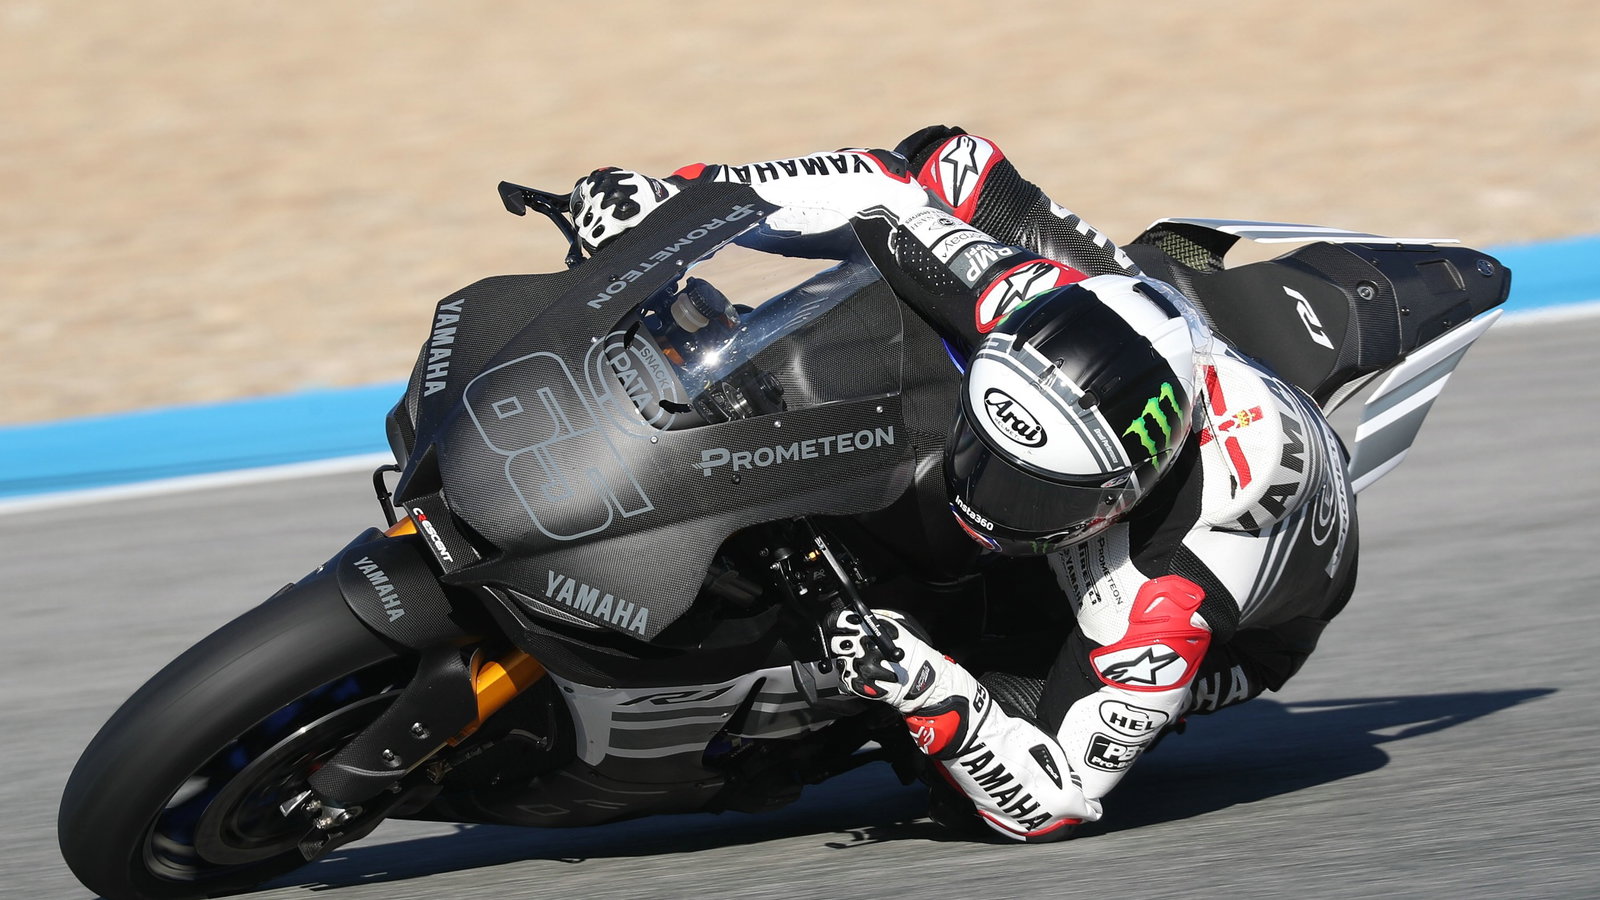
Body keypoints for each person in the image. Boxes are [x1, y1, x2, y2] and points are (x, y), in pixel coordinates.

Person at [569, 126, 1358, 842]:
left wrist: (929, 690)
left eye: (1036, 495)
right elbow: (875, 192)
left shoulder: (1164, 598)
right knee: (950, 161)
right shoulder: (1017, 297)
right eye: (988, 457)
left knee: (964, 764)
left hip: (1248, 633)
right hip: (1156, 343)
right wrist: (677, 204)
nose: (986, 504)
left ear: (1124, 492)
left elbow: (1058, 799)